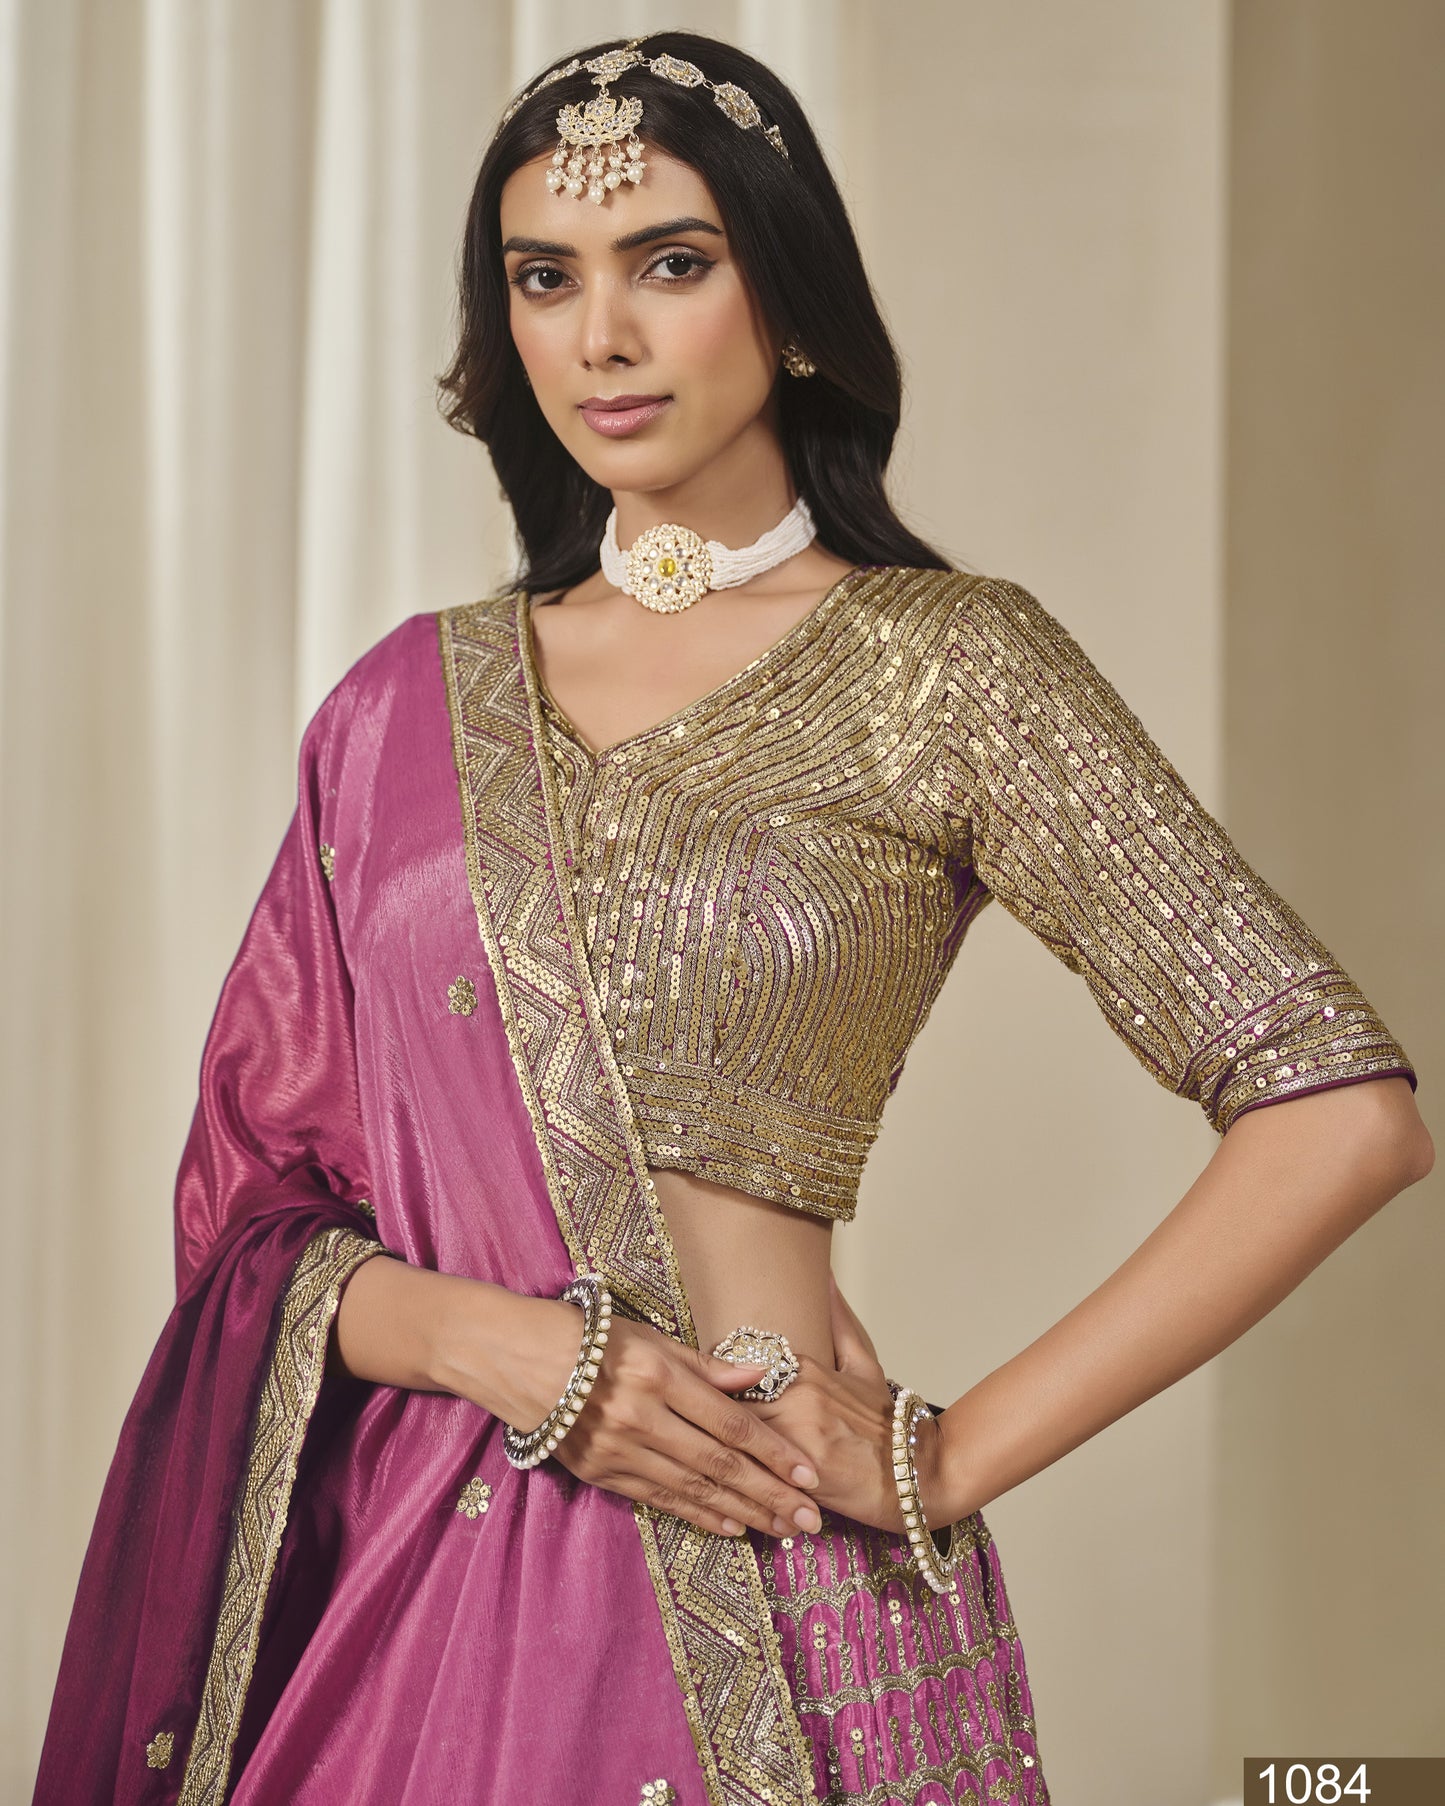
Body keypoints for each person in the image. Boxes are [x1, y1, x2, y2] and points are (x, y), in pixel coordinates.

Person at [34, 30, 1430, 1806]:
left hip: (776, 1581)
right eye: (545, 279)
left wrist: (953, 1450)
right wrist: (509, 1342)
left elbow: (1339, 1112)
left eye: (669, 264)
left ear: (788, 302)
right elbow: (251, 1206)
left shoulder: (947, 665)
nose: (600, 336)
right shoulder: (401, 704)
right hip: (413, 1595)